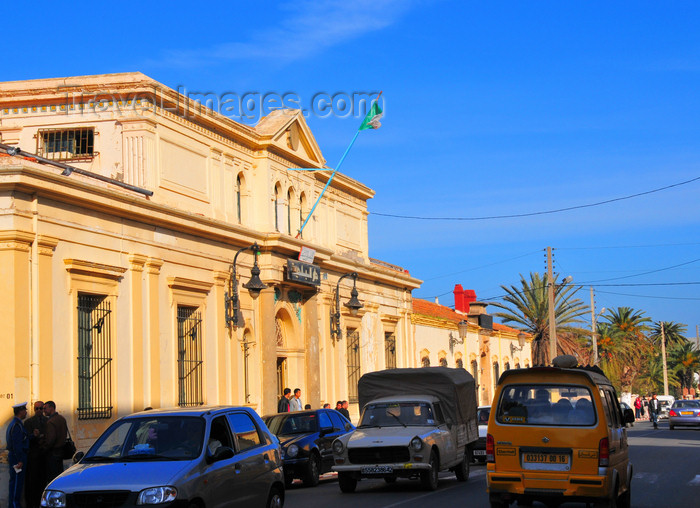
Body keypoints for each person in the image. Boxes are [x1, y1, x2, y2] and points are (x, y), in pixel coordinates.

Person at [24, 401, 48, 508]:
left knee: (43, 481)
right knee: (33, 482)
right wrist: (35, 436)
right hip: (33, 457)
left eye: (40, 408)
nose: (38, 410)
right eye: (36, 408)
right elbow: (27, 438)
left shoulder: (47, 421)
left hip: (44, 456)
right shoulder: (29, 422)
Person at [6, 402, 29, 508]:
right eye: (25, 410)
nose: (26, 412)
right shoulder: (16, 425)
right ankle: (14, 505)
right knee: (16, 484)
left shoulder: (16, 424)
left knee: (16, 483)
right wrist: (19, 460)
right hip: (17, 458)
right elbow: (17, 444)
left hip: (17, 456)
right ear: (21, 411)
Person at [43, 400, 68, 483]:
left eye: (45, 408)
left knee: (52, 477)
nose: (44, 410)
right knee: (59, 475)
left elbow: (51, 439)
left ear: (51, 408)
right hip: (61, 451)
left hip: (53, 453)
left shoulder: (51, 422)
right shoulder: (62, 419)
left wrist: (44, 448)